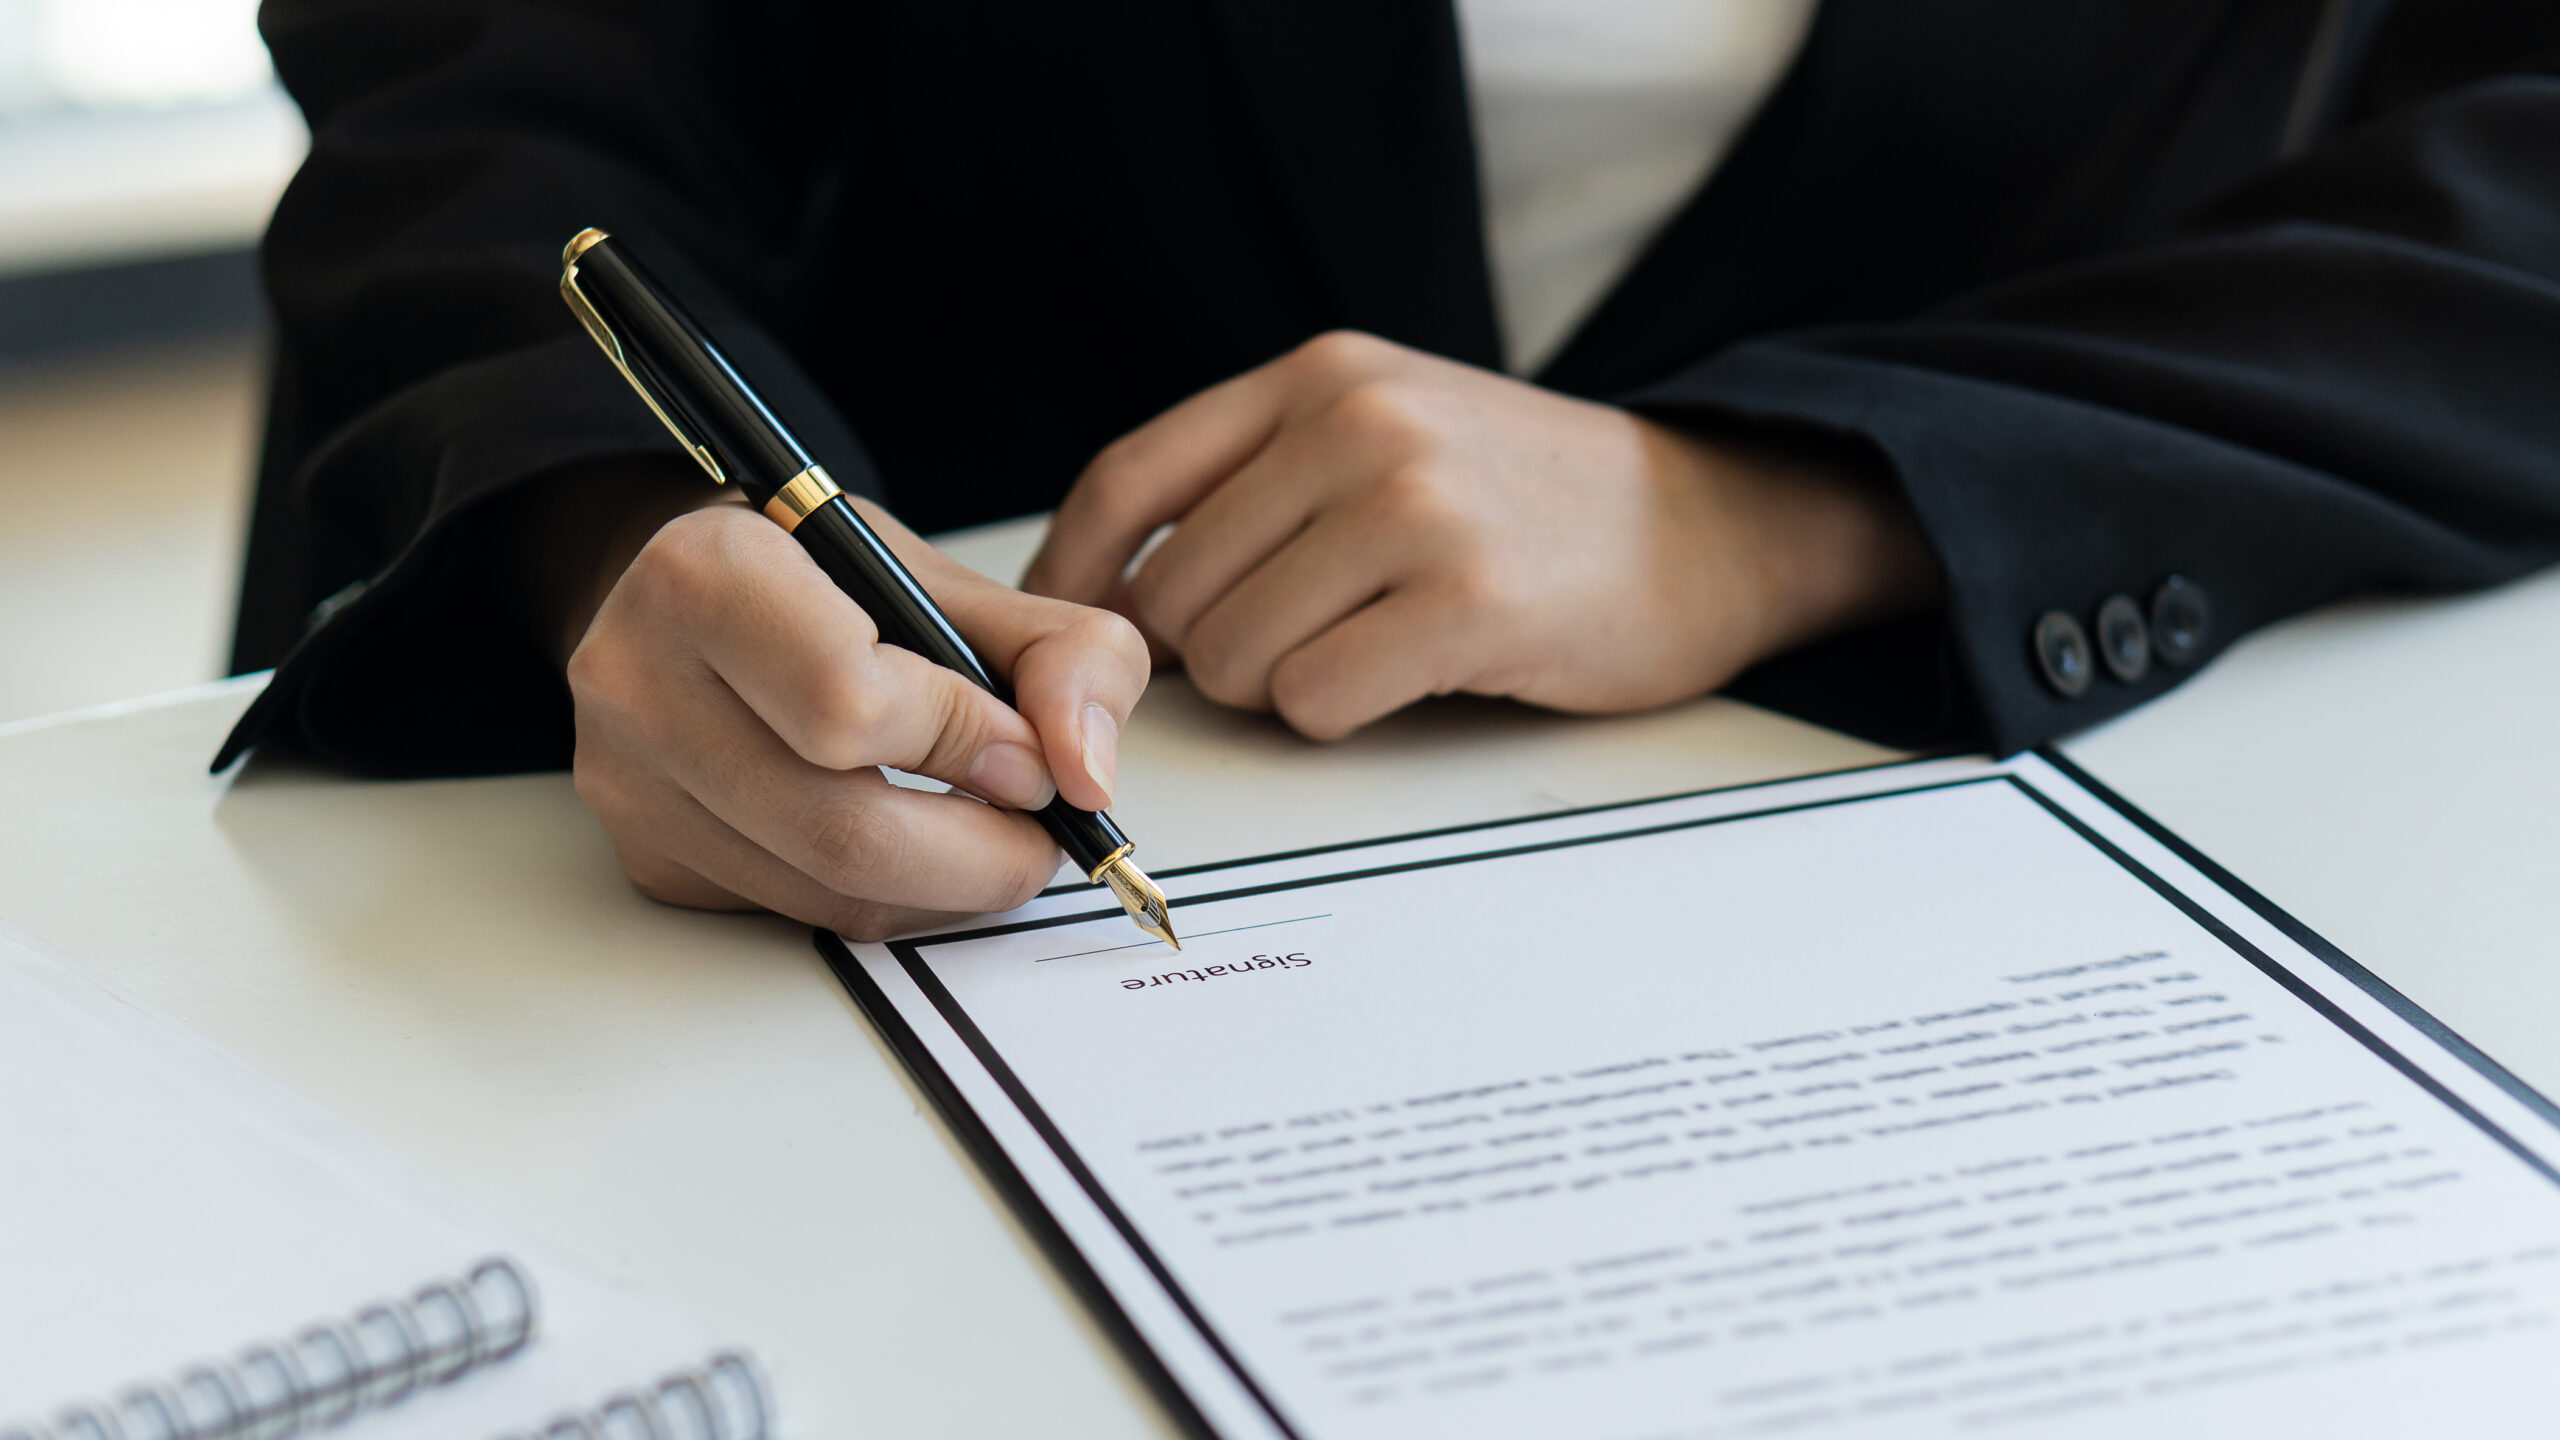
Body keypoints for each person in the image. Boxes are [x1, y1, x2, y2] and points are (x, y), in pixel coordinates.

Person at [221, 0, 2560, 939]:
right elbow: (492, 83)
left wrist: (1781, 497)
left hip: (1981, 811)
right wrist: (603, 527)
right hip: (856, 772)